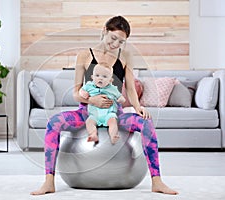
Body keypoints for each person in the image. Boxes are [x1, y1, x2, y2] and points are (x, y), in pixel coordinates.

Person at [31, 15, 178, 195]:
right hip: (86, 112)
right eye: (113, 38)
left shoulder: (125, 56)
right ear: (104, 31)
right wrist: (91, 100)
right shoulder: (84, 55)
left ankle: (157, 181)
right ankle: (48, 181)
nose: (116, 44)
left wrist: (138, 107)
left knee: (146, 123)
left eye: (121, 41)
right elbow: (76, 92)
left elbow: (130, 88)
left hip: (115, 114)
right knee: (53, 122)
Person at [79, 63, 125, 144]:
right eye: (97, 75)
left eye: (104, 77)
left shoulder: (112, 89)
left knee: (113, 122)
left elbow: (120, 97)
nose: (100, 78)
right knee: (89, 122)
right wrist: (83, 93)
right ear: (92, 77)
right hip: (94, 115)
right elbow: (81, 91)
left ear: (110, 80)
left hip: (108, 114)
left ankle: (113, 135)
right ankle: (93, 134)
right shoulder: (89, 86)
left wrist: (121, 99)